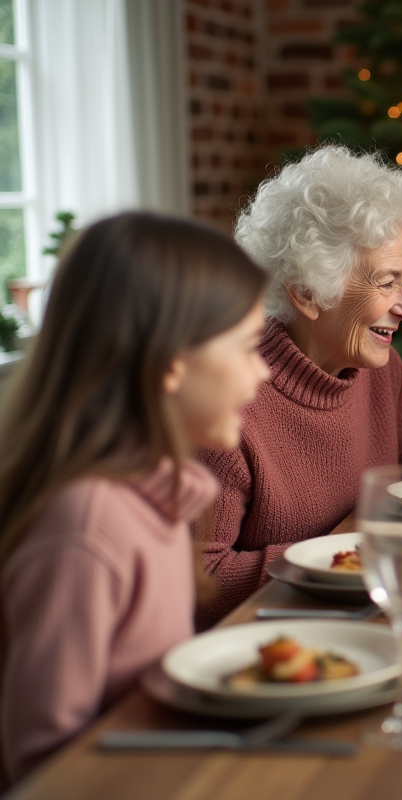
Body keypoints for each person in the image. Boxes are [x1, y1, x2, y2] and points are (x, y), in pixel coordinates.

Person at [0, 213, 269, 787]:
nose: (263, 372)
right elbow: (43, 765)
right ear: (171, 363)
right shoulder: (88, 527)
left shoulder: (159, 498)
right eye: (248, 347)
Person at [194, 145, 402, 629]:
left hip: (371, 617)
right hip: (271, 649)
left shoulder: (381, 371)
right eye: (387, 283)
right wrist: (340, 560)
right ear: (307, 293)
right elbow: (198, 581)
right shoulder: (229, 400)